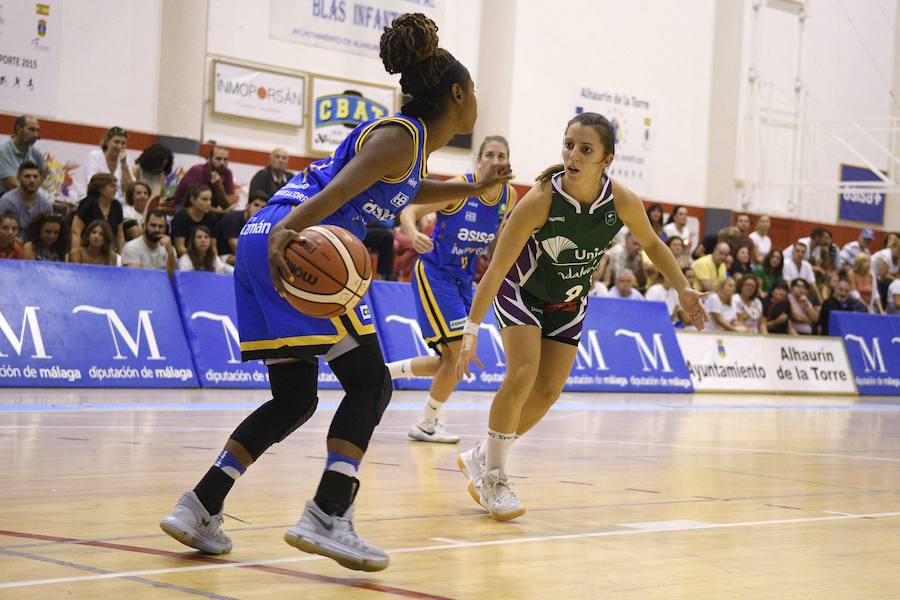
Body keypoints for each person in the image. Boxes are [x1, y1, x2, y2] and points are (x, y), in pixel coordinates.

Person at [160, 13, 509, 570]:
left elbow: (408, 187)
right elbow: (344, 188)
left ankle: (200, 505)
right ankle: (328, 512)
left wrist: (475, 185)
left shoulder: (405, 146)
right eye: (476, 96)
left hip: (267, 241)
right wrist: (287, 233)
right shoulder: (401, 138)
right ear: (460, 94)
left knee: (295, 399)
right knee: (370, 384)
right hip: (296, 242)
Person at [454, 112, 707, 521]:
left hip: (569, 301)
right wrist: (471, 330)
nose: (573, 154)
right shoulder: (539, 200)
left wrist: (683, 287)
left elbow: (654, 245)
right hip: (520, 292)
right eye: (569, 145)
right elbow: (497, 269)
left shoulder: (621, 200)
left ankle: (483, 454)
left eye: (585, 149)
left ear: (606, 160)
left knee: (548, 392)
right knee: (522, 375)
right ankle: (493, 478)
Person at [386, 135, 515, 444]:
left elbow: (500, 240)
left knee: (452, 360)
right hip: (435, 272)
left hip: (464, 278)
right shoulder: (459, 187)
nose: (496, 161)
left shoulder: (508, 197)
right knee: (458, 353)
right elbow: (410, 209)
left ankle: (383, 374)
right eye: (490, 155)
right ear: (479, 160)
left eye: (502, 156)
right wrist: (413, 233)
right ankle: (427, 422)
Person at [171, 145, 236, 212]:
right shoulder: (197, 171)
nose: (222, 163)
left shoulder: (227, 173)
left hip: (208, 209)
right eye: (218, 159)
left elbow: (226, 205)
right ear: (209, 159)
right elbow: (194, 202)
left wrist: (218, 186)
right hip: (184, 206)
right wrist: (219, 212)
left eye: (225, 159)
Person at [72, 173, 126, 254]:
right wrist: (76, 254)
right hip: (87, 250)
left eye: (116, 187)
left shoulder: (116, 206)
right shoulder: (87, 204)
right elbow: (76, 231)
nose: (115, 189)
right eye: (112, 186)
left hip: (109, 251)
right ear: (100, 189)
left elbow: (120, 235)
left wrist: (122, 256)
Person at [0, 161, 52, 238]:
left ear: (40, 179)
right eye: (27, 176)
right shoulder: (6, 201)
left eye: (35, 176)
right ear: (18, 178)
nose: (32, 180)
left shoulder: (46, 204)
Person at [216, 192, 268, 265]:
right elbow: (237, 249)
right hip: (223, 256)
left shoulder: (262, 223)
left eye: (263, 207)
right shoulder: (233, 218)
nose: (259, 209)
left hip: (246, 255)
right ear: (247, 206)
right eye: (256, 205)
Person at [0, 115, 46, 194]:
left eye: (37, 130)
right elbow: (13, 185)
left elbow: (45, 171)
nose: (35, 135)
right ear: (19, 129)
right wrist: (36, 195)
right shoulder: (3, 150)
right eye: (31, 129)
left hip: (26, 198)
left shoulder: (35, 152)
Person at [84, 126, 133, 200]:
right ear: (107, 142)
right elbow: (92, 183)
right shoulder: (95, 156)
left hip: (118, 205)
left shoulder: (126, 160)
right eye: (116, 142)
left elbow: (129, 189)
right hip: (96, 201)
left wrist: (124, 165)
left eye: (123, 143)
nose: (119, 146)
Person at [122, 209, 176, 275]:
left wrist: (170, 252)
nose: (157, 229)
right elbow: (135, 278)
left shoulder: (169, 249)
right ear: (144, 226)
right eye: (153, 225)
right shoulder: (132, 247)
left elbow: (173, 280)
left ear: (165, 229)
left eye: (161, 226)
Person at [171, 185, 218, 256]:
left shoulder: (211, 218)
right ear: (193, 200)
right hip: (185, 257)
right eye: (204, 199)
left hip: (206, 259)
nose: (209, 203)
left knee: (227, 267)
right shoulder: (181, 217)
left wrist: (215, 261)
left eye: (210, 199)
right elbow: (180, 248)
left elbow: (213, 247)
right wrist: (199, 258)